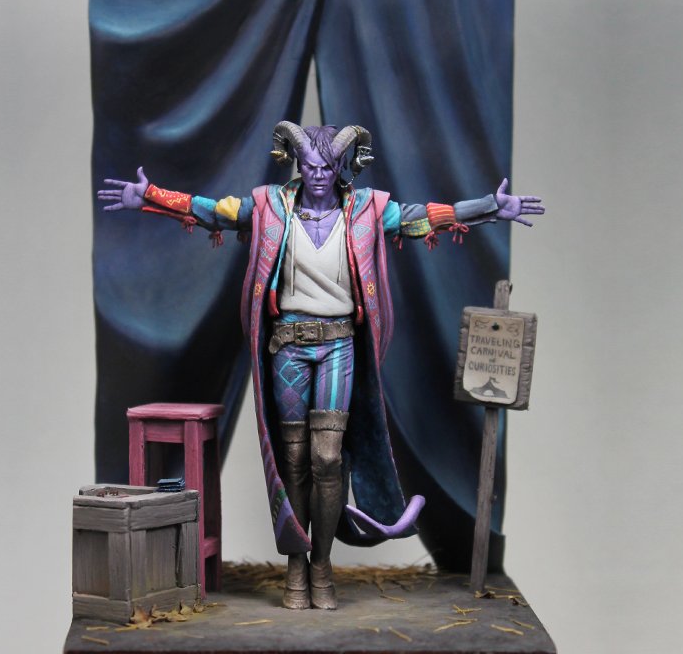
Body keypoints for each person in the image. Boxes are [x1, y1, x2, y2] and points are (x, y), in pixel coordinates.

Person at [97, 122, 543, 610]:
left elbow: (422, 218)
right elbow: (216, 212)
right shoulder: (269, 207)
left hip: (339, 347)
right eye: (309, 165)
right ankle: (296, 564)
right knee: (293, 459)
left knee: (328, 458)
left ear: (342, 167)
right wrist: (151, 196)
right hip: (288, 347)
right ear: (296, 162)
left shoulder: (367, 210)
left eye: (327, 167)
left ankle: (322, 565)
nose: (317, 175)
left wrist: (490, 207)